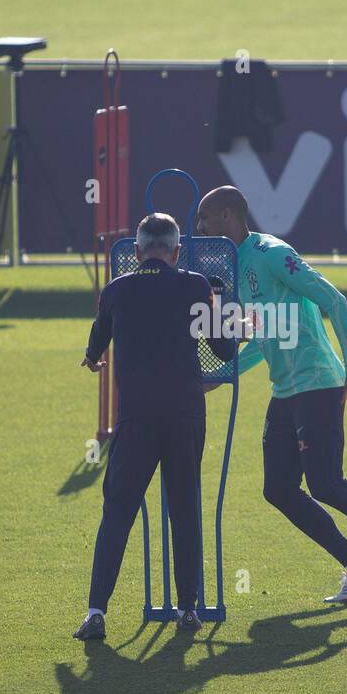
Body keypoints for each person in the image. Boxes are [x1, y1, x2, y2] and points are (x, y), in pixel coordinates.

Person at [194, 185, 347, 605]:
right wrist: (224, 373)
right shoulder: (236, 268)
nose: (199, 229)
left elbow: (334, 299)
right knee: (279, 489)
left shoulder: (270, 253)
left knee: (327, 483)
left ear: (228, 216)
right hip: (286, 390)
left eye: (205, 219)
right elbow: (265, 336)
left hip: (319, 383)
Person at [76, 213, 239, 640]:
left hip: (136, 418)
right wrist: (221, 305)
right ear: (177, 251)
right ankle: (188, 609)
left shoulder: (117, 290)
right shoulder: (194, 286)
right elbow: (222, 350)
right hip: (186, 413)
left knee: (118, 512)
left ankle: (96, 612)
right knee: (185, 508)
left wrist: (94, 358)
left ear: (136, 252)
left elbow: (97, 342)